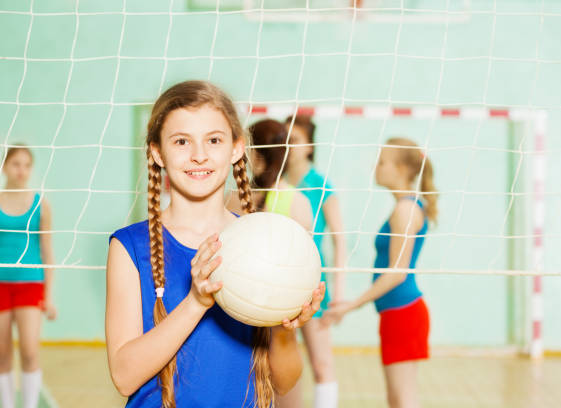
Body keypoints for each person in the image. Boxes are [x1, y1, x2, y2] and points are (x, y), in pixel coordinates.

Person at [105, 80, 325, 408]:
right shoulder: (129, 247)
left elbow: (285, 381)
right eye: (181, 141)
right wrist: (196, 301)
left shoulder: (262, 245)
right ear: (157, 152)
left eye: (214, 140)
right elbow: (124, 377)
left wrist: (284, 328)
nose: (199, 155)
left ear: (236, 148)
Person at [324, 138, 437, 408]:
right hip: (396, 313)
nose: (377, 166)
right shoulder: (404, 207)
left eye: (382, 161)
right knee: (397, 400)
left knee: (403, 400)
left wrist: (351, 305)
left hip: (404, 312)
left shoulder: (405, 210)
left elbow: (397, 274)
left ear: (400, 168)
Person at [278, 114, 347, 408]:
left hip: (313, 284)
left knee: (321, 363)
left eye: (294, 140)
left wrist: (340, 291)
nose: (288, 146)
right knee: (281, 366)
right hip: (280, 285)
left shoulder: (320, 184)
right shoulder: (275, 183)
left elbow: (339, 238)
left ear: (309, 146)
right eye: (284, 140)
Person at [0, 145, 57, 408]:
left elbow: (47, 250)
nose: (21, 170)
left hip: (30, 285)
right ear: (4, 168)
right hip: (1, 285)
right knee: (2, 353)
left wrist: (50, 296)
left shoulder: (40, 203)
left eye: (26, 165)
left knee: (29, 350)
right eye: (15, 164)